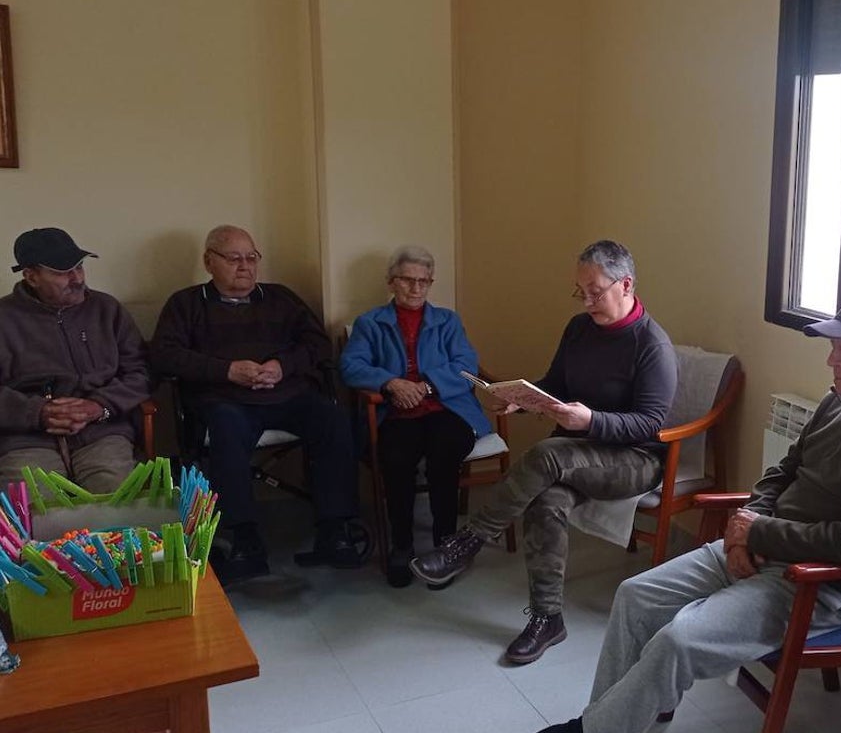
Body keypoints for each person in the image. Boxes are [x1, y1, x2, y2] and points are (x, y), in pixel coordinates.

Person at [481, 296, 841, 733]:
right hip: (763, 544)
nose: (830, 360)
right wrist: (743, 526)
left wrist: (758, 532)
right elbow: (783, 470)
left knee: (680, 640)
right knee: (636, 596)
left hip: (819, 583)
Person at [410, 240, 678, 664]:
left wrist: (590, 421)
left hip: (634, 459)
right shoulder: (578, 328)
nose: (586, 299)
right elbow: (557, 383)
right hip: (580, 449)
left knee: (549, 454)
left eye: (595, 290)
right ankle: (547, 618)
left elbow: (650, 425)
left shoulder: (652, 345)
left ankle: (468, 541)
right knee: (545, 501)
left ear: (625, 285)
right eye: (580, 290)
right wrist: (522, 398)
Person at [150, 225, 361, 581]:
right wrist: (227, 371)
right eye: (233, 258)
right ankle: (244, 537)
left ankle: (335, 529)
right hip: (225, 399)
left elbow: (318, 344)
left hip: (286, 393)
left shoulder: (280, 298)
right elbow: (164, 356)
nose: (245, 266)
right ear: (209, 261)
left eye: (251, 258)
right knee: (225, 429)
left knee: (334, 420)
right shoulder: (185, 304)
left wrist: (283, 366)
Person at [340, 246, 492, 589]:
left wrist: (425, 387)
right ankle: (402, 545)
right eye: (408, 280)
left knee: (446, 451)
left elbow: (465, 364)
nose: (416, 288)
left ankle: (445, 546)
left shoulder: (447, 321)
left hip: (446, 408)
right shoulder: (370, 323)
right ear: (391, 282)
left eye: (424, 281)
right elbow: (351, 366)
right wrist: (391, 383)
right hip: (395, 412)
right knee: (396, 457)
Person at [0, 228, 151, 492]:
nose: (77, 278)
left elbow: (141, 372)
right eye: (61, 272)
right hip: (25, 438)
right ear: (31, 277)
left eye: (79, 267)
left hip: (102, 430)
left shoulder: (107, 310)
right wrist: (37, 412)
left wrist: (99, 406)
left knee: (115, 500)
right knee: (35, 509)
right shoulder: (5, 318)